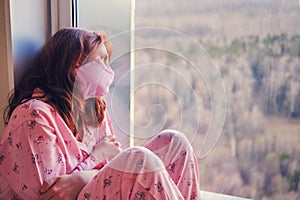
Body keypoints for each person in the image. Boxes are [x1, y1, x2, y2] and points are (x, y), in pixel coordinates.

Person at [0, 27, 201, 200]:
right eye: (101, 60)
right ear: (74, 66)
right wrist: (97, 157)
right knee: (139, 160)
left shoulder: (94, 109)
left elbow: (110, 167)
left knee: (175, 143)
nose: (108, 69)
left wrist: (83, 176)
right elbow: (51, 194)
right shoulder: (34, 116)